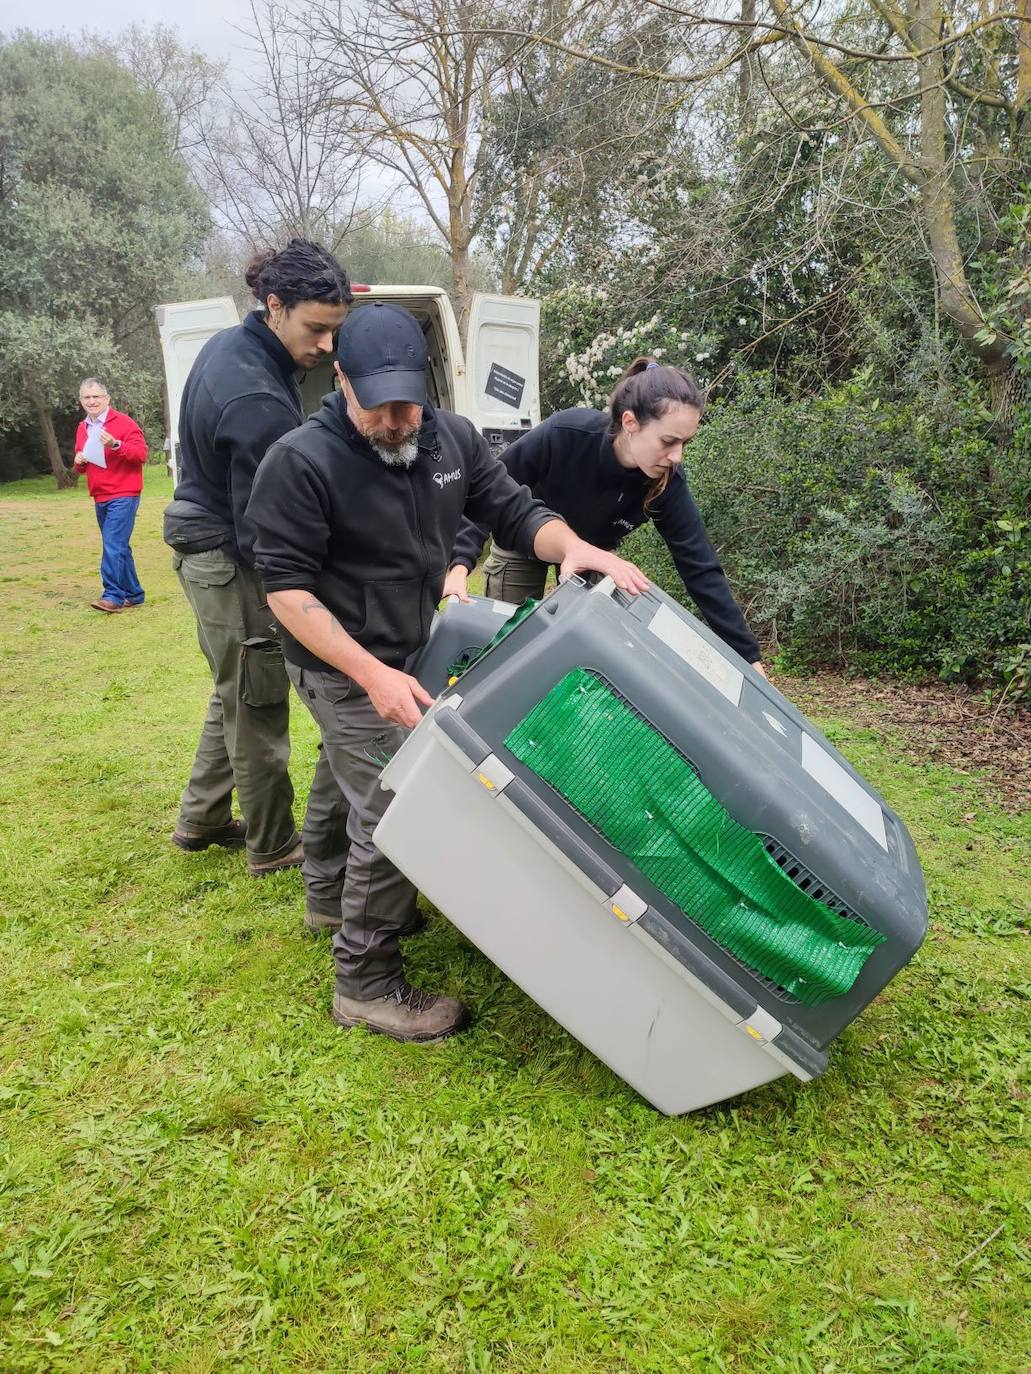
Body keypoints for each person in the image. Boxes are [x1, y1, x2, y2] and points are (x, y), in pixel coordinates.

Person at [246, 303, 649, 1044]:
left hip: (411, 644)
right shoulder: (301, 462)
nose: (398, 419)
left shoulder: (450, 438)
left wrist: (574, 548)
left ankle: (328, 897)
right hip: (340, 659)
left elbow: (515, 509)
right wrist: (369, 673)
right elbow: (288, 595)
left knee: (354, 768)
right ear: (341, 378)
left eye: (410, 401)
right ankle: (364, 983)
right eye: (380, 405)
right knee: (398, 800)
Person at [163, 238, 352, 875]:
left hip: (200, 537)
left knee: (237, 686)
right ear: (275, 305)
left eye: (336, 330)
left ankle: (202, 817)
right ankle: (273, 845)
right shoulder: (258, 401)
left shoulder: (236, 345)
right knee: (259, 696)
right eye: (317, 328)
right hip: (221, 549)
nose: (327, 346)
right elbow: (264, 532)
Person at [444, 358, 766, 674]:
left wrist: (748, 658)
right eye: (669, 441)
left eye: (685, 443)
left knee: (583, 658)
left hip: (592, 557)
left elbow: (700, 568)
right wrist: (459, 563)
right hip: (522, 541)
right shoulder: (567, 433)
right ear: (630, 423)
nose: (677, 455)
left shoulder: (667, 481)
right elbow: (486, 491)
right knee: (508, 647)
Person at [72, 379, 148, 613]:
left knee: (113, 544)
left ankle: (113, 596)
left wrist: (116, 444)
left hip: (124, 493)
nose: (92, 401)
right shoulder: (83, 427)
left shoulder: (124, 423)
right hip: (100, 495)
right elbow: (83, 464)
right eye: (87, 397)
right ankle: (134, 594)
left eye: (96, 396)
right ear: (81, 401)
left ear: (107, 399)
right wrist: (78, 462)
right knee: (119, 546)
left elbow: (141, 454)